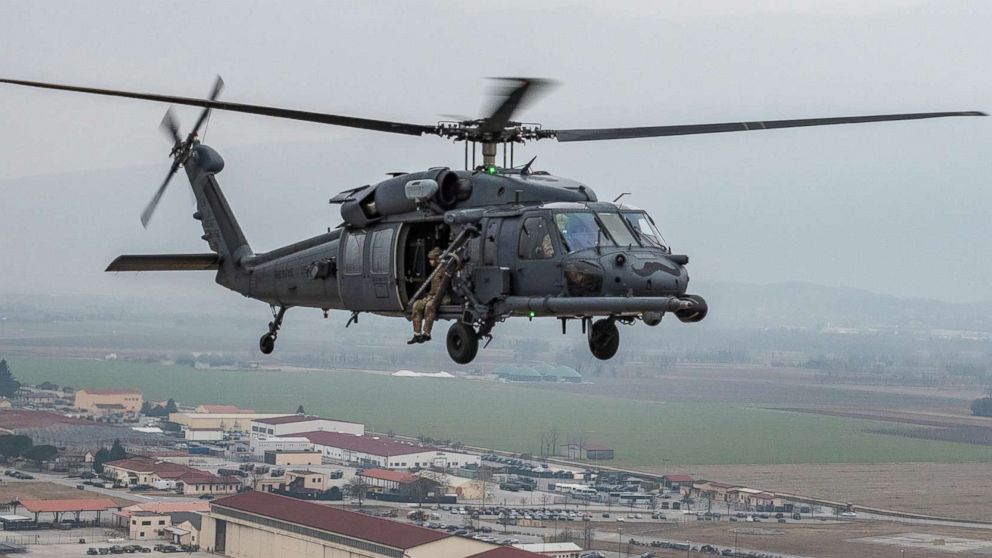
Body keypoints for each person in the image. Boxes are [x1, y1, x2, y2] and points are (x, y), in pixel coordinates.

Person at [409, 247, 451, 344]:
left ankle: (427, 334)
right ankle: (417, 334)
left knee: (429, 306)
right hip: (432, 296)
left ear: (438, 259)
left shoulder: (445, 270)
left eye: (432, 259)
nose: (430, 262)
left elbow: (443, 289)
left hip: (442, 297)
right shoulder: (436, 270)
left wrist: (434, 299)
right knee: (417, 305)